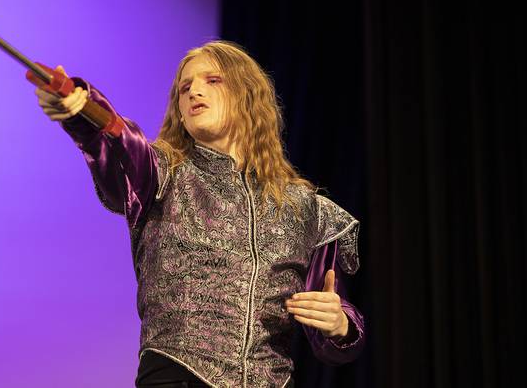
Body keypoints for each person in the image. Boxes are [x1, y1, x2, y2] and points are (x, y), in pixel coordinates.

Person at [35, 41, 364, 388]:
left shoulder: (307, 210)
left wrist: (340, 324)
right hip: (179, 377)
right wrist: (82, 109)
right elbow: (118, 140)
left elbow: (333, 333)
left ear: (247, 95)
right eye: (184, 87)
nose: (194, 92)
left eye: (212, 80)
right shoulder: (161, 174)